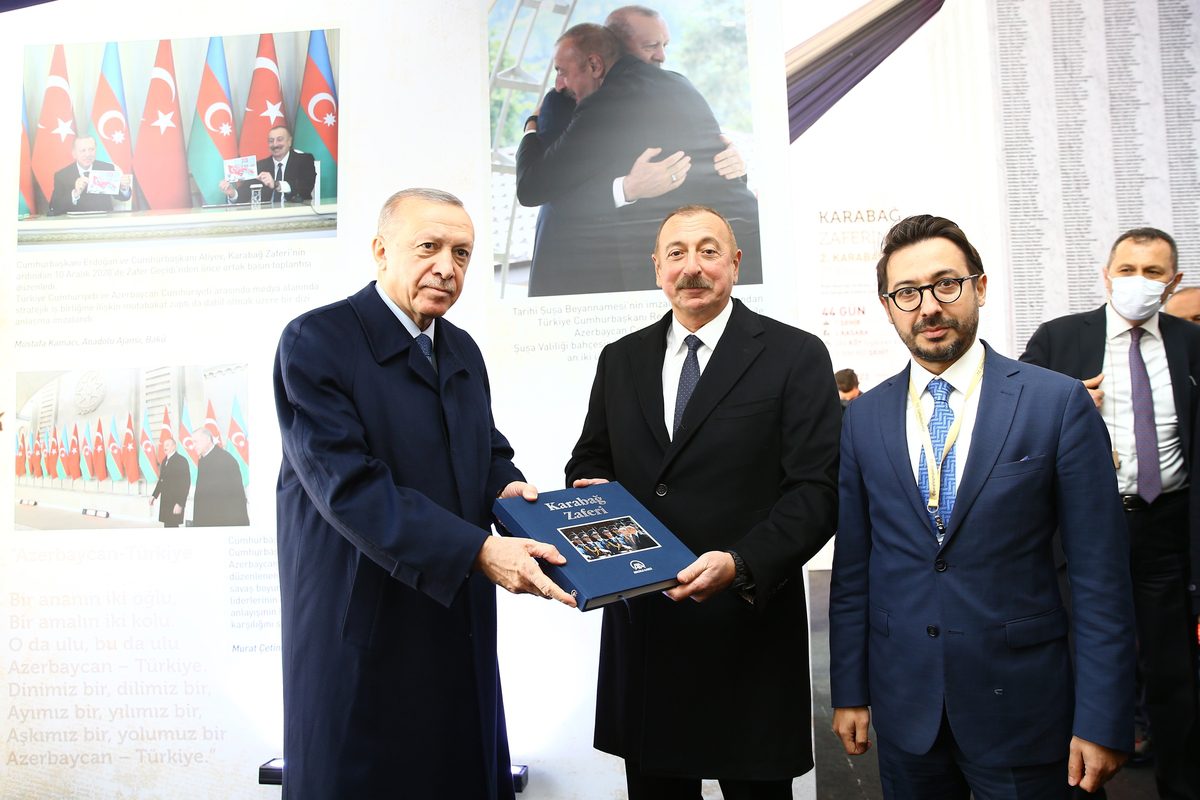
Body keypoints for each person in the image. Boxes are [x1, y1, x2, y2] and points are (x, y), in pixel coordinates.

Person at [273, 187, 574, 799]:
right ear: (381, 252)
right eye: (428, 247)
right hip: (362, 624)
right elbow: (349, 487)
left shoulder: (459, 348)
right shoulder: (316, 342)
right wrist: (479, 552)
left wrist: (512, 496)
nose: (447, 266)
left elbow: (485, 452)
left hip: (454, 618)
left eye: (462, 253)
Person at [830, 214, 1136, 798]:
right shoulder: (863, 420)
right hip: (906, 709)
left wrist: (1103, 718)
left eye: (946, 285)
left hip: (1024, 709)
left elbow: (1101, 577)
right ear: (888, 305)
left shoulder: (1056, 403)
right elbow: (854, 572)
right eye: (907, 293)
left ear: (980, 287)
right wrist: (850, 690)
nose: (928, 307)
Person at [567, 205, 839, 798]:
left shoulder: (795, 355)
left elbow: (817, 490)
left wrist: (741, 563)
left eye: (708, 251)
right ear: (657, 268)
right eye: (676, 253)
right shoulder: (621, 358)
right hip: (648, 631)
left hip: (748, 630)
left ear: (735, 263)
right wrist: (592, 500)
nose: (692, 267)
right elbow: (590, 459)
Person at [1021, 227, 1200, 800]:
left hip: (1166, 527)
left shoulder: (1190, 343)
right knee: (1077, 664)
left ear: (1173, 283)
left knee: (1175, 675)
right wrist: (1064, 403)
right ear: (1106, 274)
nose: (1139, 283)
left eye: (1153, 273)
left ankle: (1181, 784)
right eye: (1127, 269)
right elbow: (1013, 422)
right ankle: (1080, 787)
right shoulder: (1059, 338)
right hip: (1083, 529)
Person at [518, 24, 761, 296]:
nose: (660, 56)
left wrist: (735, 167)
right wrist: (627, 188)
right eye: (649, 47)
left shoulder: (670, 88)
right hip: (583, 273)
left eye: (664, 45)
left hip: (688, 262)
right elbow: (545, 192)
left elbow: (707, 161)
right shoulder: (564, 102)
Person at [219, 125, 316, 205]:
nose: (275, 144)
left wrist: (276, 184)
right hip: (266, 217)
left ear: (289, 141)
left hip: (298, 214)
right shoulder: (260, 166)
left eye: (279, 139)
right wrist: (232, 193)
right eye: (271, 141)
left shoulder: (304, 160)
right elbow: (244, 194)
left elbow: (306, 187)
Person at [48, 136, 132, 215]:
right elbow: (54, 207)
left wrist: (123, 188)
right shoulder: (62, 175)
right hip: (75, 223)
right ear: (74, 154)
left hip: (103, 221)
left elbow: (123, 197)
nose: (88, 154)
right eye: (83, 150)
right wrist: (75, 193)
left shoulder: (107, 168)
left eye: (91, 149)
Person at [190, 428, 248, 527]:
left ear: (208, 440)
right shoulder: (202, 460)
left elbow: (236, 496)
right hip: (205, 521)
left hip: (222, 523)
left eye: (196, 442)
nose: (193, 446)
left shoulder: (226, 459)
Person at [149, 437, 190, 528]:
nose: (165, 447)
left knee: (173, 526)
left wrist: (180, 503)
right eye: (164, 445)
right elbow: (161, 481)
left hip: (175, 502)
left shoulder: (181, 461)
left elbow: (185, 484)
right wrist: (154, 495)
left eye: (167, 445)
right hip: (165, 501)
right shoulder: (164, 461)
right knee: (167, 525)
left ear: (174, 446)